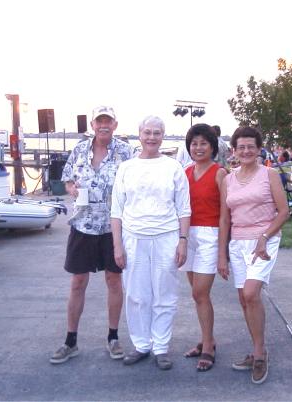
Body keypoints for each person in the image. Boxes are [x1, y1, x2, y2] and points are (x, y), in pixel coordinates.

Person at [50, 106, 133, 365]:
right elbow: (67, 180)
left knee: (114, 281)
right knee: (77, 282)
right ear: (93, 124)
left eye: (108, 121)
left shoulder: (127, 152)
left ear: (115, 125)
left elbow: (137, 183)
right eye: (100, 121)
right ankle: (70, 341)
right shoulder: (79, 150)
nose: (104, 126)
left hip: (113, 228)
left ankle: (113, 337)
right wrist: (73, 188)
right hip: (83, 225)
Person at [110, 115, 191, 371]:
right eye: (147, 132)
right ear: (139, 134)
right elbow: (116, 211)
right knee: (136, 295)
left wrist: (182, 241)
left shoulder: (173, 168)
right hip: (133, 238)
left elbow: (184, 209)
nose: (152, 137)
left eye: (157, 133)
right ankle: (141, 344)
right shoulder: (126, 168)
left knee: (164, 294)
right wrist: (117, 245)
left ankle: (161, 347)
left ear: (163, 135)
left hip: (166, 236)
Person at [218, 126, 289, 384]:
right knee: (243, 299)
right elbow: (225, 219)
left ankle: (259, 355)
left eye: (251, 146)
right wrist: (222, 255)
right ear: (234, 151)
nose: (246, 151)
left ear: (259, 149)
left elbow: (283, 212)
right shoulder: (228, 179)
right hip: (237, 243)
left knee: (250, 294)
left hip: (264, 241)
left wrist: (264, 237)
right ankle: (258, 349)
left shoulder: (269, 174)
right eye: (241, 147)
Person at [180, 124, 227, 372]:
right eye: (194, 143)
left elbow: (225, 215)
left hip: (210, 235)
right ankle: (207, 339)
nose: (198, 148)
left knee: (200, 293)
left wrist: (222, 253)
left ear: (212, 146)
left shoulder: (220, 173)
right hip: (189, 236)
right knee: (197, 295)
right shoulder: (185, 172)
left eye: (203, 143)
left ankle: (208, 347)